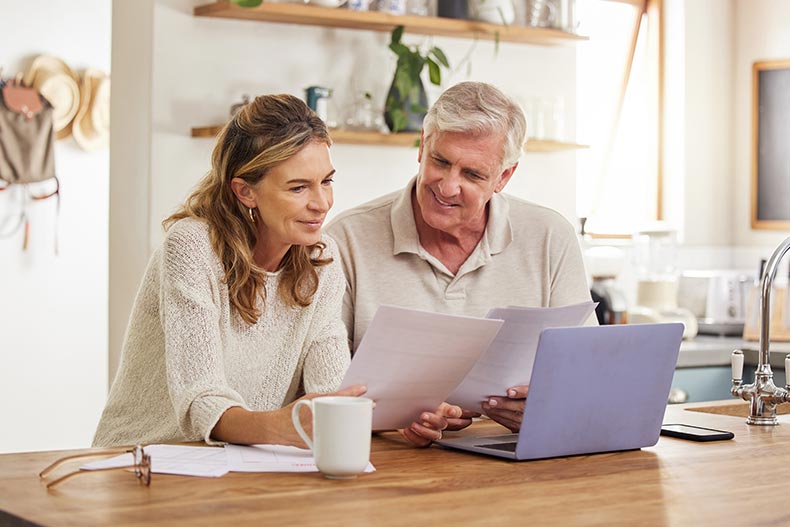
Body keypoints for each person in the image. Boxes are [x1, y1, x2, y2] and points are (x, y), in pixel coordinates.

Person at [93, 94, 448, 448]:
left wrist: (394, 418)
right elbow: (200, 398)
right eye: (298, 187)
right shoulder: (192, 247)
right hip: (141, 459)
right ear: (245, 191)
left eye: (326, 181)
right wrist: (280, 427)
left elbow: (333, 387)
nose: (322, 203)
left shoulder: (321, 258)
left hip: (245, 465)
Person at [327, 82, 594, 433]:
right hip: (385, 459)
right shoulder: (346, 238)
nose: (448, 186)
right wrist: (394, 416)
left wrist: (549, 403)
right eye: (441, 161)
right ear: (423, 146)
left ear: (503, 178)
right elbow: (325, 384)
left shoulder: (549, 236)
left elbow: (586, 369)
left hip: (512, 456)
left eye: (472, 174)